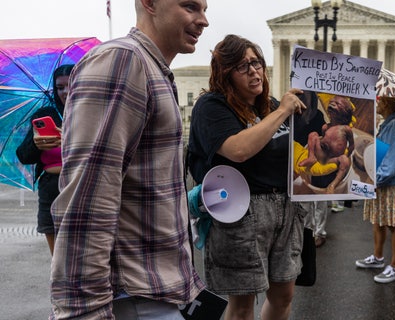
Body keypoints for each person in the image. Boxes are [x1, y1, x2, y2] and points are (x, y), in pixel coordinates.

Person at [49, 0, 209, 318]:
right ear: (149, 3)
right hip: (134, 299)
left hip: (153, 293)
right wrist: (86, 311)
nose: (203, 20)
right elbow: (88, 199)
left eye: (205, 10)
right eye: (190, 6)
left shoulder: (150, 68)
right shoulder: (123, 60)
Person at [186, 34, 306, 320]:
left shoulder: (270, 106)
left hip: (285, 207)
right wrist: (282, 111)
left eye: (257, 63)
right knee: (241, 307)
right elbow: (239, 150)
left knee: (283, 295)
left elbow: (298, 154)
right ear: (225, 73)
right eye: (243, 66)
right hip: (242, 211)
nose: (254, 71)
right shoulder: (212, 107)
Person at [355, 96, 395, 284]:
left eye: (381, 101)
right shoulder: (389, 124)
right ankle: (378, 258)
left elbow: (392, 164)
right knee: (379, 221)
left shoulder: (394, 126)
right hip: (386, 182)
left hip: (392, 183)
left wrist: (373, 180)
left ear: (389, 104)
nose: (378, 103)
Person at [16, 64, 72, 255]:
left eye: (70, 84)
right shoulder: (45, 115)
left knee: (80, 251)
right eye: (60, 87)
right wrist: (36, 144)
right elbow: (23, 156)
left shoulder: (89, 113)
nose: (65, 91)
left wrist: (70, 140)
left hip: (79, 185)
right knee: (57, 257)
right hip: (50, 188)